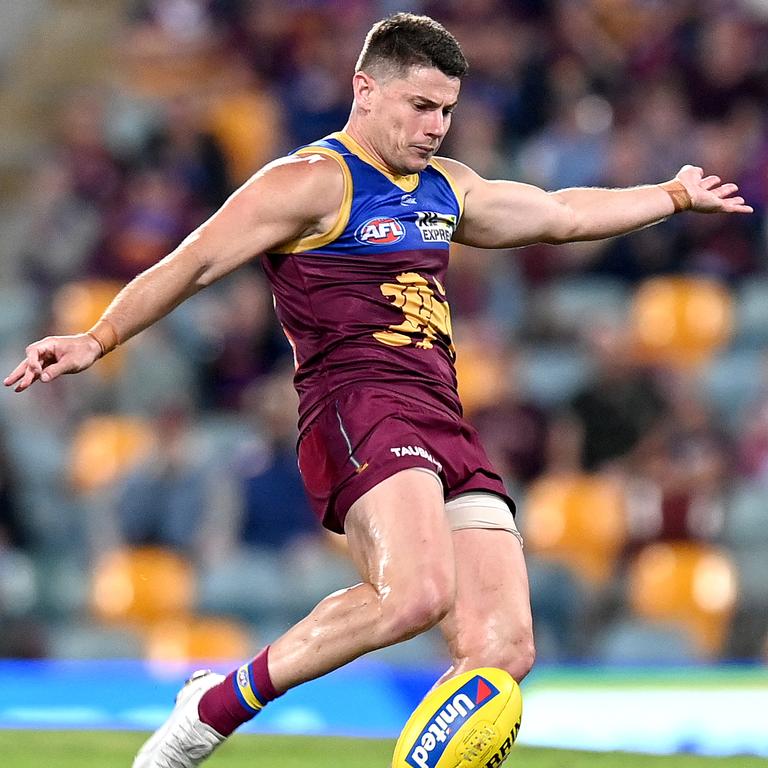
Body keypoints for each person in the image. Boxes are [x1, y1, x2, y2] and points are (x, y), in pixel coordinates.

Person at [4, 13, 751, 768]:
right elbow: (192, 263)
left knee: (504, 651)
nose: (437, 127)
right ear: (365, 90)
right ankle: (212, 707)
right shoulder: (310, 182)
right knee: (414, 595)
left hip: (443, 418)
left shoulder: (447, 187)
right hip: (355, 406)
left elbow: (558, 215)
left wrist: (672, 195)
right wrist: (96, 338)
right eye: (421, 107)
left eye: (448, 110)